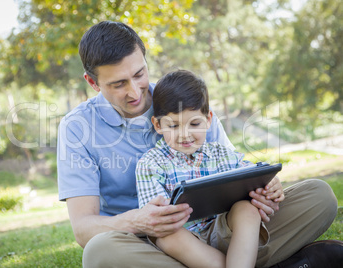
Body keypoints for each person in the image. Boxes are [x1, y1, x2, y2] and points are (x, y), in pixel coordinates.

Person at [57, 20, 339, 267]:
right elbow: (83, 229)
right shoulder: (76, 128)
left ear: (145, 59)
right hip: (153, 245)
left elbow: (234, 173)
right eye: (118, 84)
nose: (135, 92)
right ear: (93, 83)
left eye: (139, 74)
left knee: (319, 197)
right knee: (100, 252)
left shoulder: (184, 100)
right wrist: (139, 221)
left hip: (222, 228)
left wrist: (262, 192)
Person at [136, 69, 270, 268]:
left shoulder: (221, 154)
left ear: (208, 120)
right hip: (185, 242)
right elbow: (156, 219)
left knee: (247, 209)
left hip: (223, 230)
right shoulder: (150, 163)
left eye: (195, 123)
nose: (185, 135)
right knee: (166, 234)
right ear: (157, 125)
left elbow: (252, 176)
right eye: (173, 126)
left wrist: (269, 185)